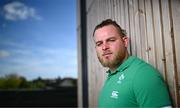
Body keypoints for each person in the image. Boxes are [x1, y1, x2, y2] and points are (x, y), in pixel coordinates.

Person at [93, 19, 172, 107]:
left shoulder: (143, 75)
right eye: (99, 43)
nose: (104, 47)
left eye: (111, 40)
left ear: (125, 42)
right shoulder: (112, 76)